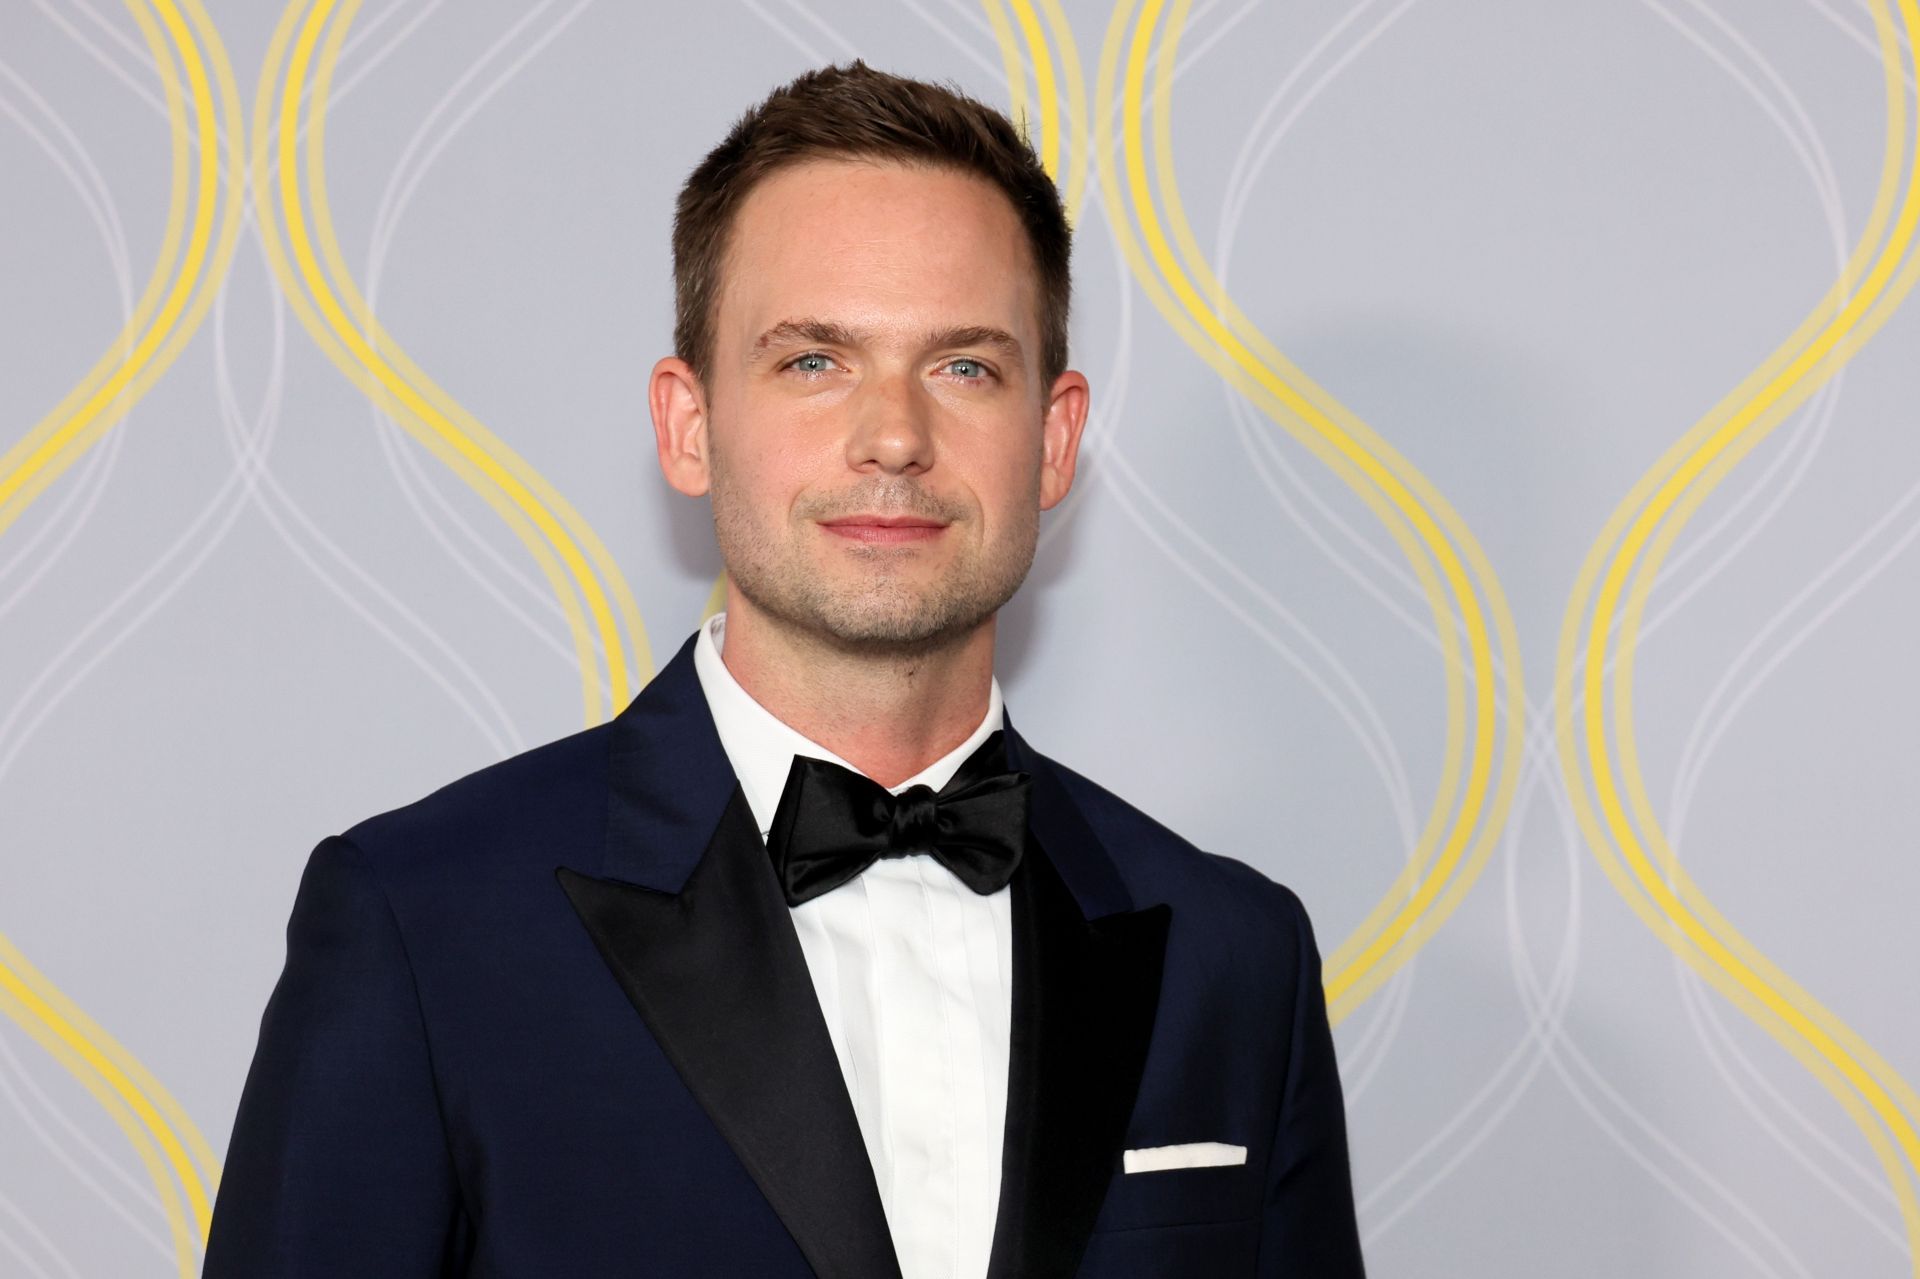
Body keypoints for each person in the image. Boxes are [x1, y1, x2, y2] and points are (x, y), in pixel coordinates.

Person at [202, 60, 1364, 1278]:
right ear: (689, 426)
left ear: (1055, 436)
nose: (896, 437)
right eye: (814, 361)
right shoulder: (424, 925)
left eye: (965, 365)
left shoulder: (1236, 954)